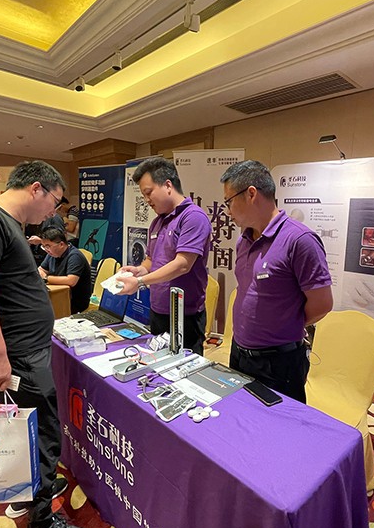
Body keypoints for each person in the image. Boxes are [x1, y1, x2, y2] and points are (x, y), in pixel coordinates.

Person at [0, 160, 89, 528]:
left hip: (26, 349)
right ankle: (42, 527)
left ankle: (27, 493)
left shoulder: (10, 224)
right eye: (54, 201)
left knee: (24, 429)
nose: (54, 213)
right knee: (42, 433)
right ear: (36, 188)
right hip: (18, 355)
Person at [220, 160, 333, 403]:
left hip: (278, 361)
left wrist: (284, 324)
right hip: (240, 351)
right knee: (241, 416)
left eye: (229, 201)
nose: (227, 210)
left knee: (280, 423)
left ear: (251, 194)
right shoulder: (243, 240)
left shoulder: (300, 240)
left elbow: (322, 303)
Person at [117, 157, 212, 355]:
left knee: (184, 368)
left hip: (184, 315)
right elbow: (151, 260)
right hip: (158, 310)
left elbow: (182, 264)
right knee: (158, 364)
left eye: (148, 192)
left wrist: (140, 282)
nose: (146, 200)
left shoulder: (193, 217)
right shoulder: (157, 222)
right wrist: (138, 270)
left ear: (168, 185)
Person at [38, 227, 93, 314]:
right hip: (58, 295)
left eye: (48, 246)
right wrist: (44, 276)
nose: (46, 250)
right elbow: (41, 269)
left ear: (61, 244)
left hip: (74, 302)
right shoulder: (52, 254)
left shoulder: (75, 256)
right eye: (43, 246)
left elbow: (71, 281)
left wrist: (46, 279)